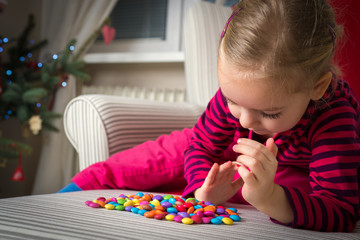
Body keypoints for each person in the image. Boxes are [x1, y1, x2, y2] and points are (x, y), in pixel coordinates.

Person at [60, 0, 360, 232]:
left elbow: (342, 211)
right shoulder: (236, 101)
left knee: (292, 186)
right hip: (224, 159)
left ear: (317, 87)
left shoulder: (334, 117)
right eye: (233, 101)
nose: (245, 122)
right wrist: (202, 188)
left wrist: (270, 197)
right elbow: (199, 147)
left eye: (269, 112)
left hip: (291, 171)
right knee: (165, 153)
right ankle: (75, 188)